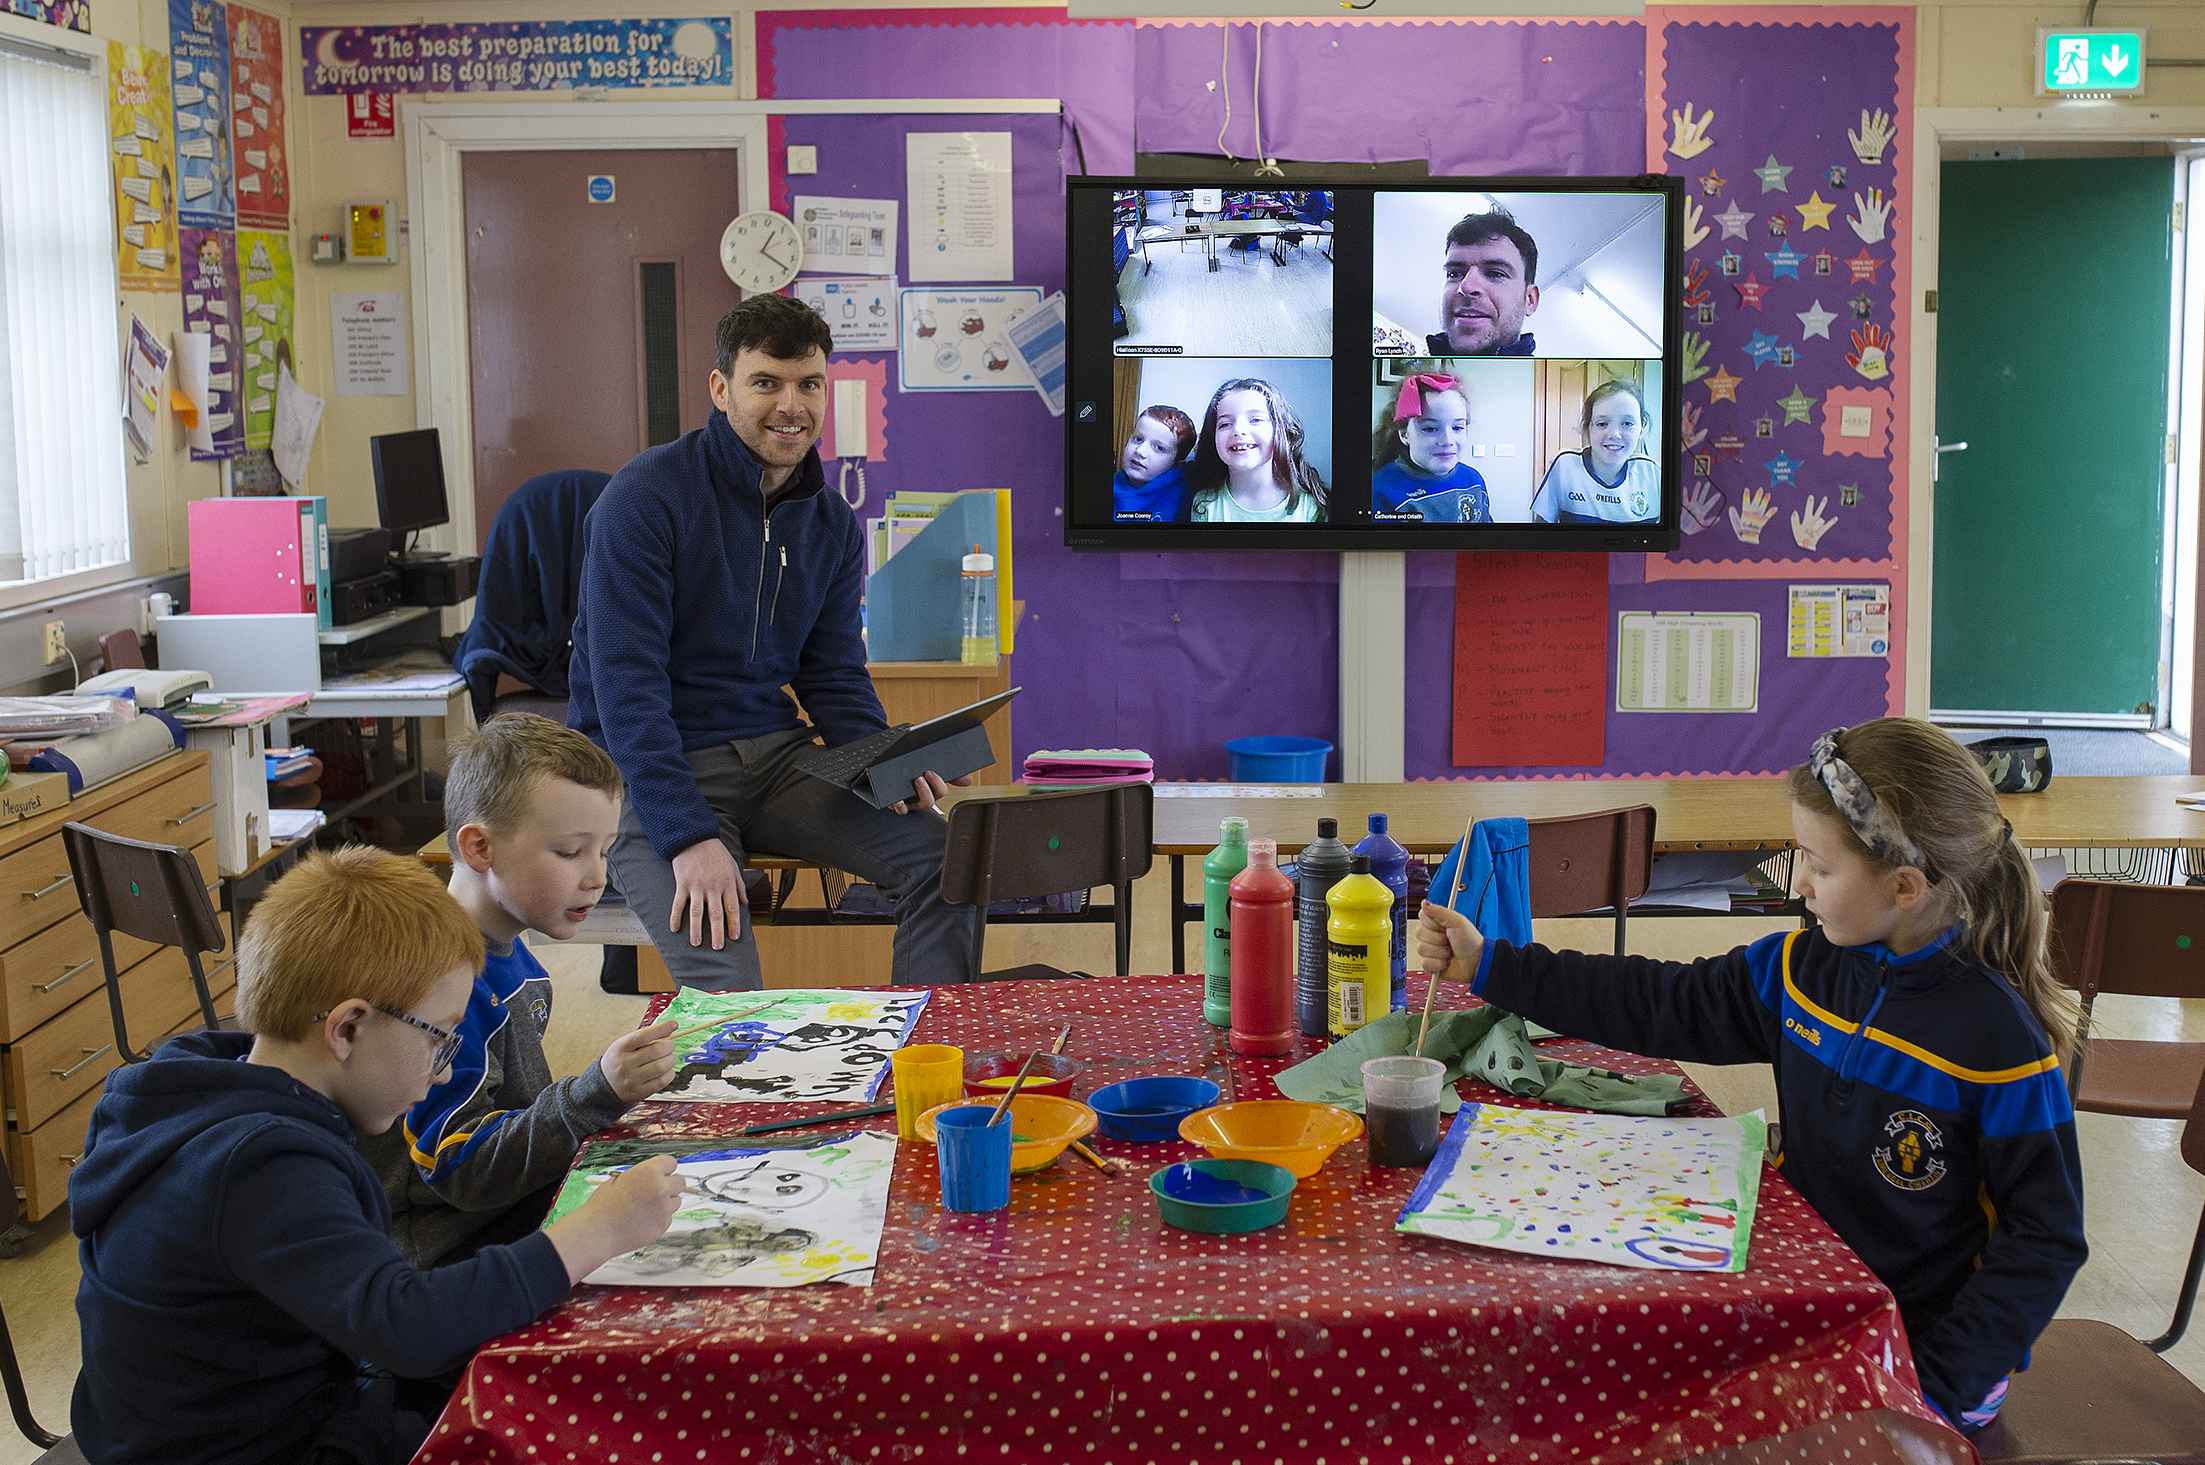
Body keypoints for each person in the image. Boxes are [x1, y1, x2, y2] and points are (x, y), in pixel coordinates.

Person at [1415, 719, 2086, 1436]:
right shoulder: (1798, 973)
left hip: (1921, 1359)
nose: (1799, 883)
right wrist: (1490, 964)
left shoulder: (1995, 1039)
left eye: (1819, 867)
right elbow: (1656, 1000)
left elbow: (2045, 1235)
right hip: (1809, 1310)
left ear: (1904, 885)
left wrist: (1938, 1385)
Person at [68, 846, 686, 1465]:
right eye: (441, 1040)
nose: (444, 1077)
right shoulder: (263, 1168)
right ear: (347, 1030)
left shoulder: (199, 1078)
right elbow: (407, 1329)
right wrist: (597, 1231)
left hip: (199, 1420)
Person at [568, 293, 976, 990]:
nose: (791, 405)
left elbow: (833, 674)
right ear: (720, 388)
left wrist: (886, 765)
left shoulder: (831, 522)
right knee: (730, 997)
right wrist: (687, 837)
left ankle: (924, 1072)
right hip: (651, 767)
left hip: (775, 760)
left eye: (808, 384)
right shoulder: (644, 499)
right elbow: (625, 691)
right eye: (766, 383)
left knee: (944, 862)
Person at [359, 713, 678, 1271]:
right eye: (570, 851)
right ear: (481, 848)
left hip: (502, 1208)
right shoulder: (439, 988)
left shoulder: (511, 953)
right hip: (445, 1253)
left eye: (604, 851)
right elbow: (456, 1164)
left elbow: (511, 1112)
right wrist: (594, 1093)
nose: (597, 877)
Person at [1187, 378, 1329, 523]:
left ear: (1280, 431)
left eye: (1255, 420)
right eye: (1225, 424)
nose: (1238, 430)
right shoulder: (1204, 505)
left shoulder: (1311, 507)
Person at [1529, 378, 1659, 524]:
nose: (1614, 434)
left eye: (1627, 423)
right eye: (1602, 423)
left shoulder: (1654, 474)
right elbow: (1540, 530)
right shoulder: (1564, 465)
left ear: (1642, 428)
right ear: (1587, 428)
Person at [1369, 368, 1489, 521]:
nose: (1447, 441)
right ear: (1404, 434)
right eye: (1430, 428)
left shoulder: (1473, 481)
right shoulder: (1381, 490)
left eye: (1457, 427)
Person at [1427, 209, 1541, 356]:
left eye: (1495, 273)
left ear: (1530, 299)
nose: (1466, 287)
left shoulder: (1551, 379)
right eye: (1454, 273)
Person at [1112, 405, 1195, 521]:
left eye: (1159, 448)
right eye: (1138, 439)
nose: (1140, 451)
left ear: (1177, 462)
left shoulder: (1183, 495)